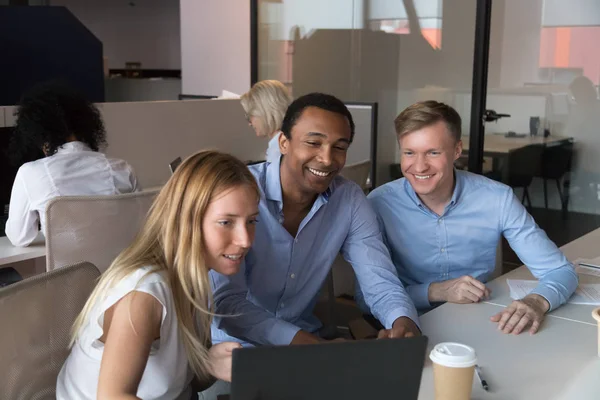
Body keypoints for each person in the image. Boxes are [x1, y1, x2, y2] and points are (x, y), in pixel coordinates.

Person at [56, 151, 261, 400]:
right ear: (187, 221)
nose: (245, 240)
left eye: (252, 221)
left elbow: (184, 381)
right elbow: (112, 396)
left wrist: (208, 363)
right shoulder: (143, 295)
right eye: (226, 222)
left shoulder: (195, 277)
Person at [363, 100, 578, 335]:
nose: (419, 166)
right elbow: (367, 297)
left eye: (433, 152)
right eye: (409, 153)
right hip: (408, 325)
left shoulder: (497, 198)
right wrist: (436, 291)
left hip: (483, 322)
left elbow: (560, 271)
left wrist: (536, 301)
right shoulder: (379, 204)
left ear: (457, 150)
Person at [5, 81, 138, 246]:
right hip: (120, 269)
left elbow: (19, 238)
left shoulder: (30, 173)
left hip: (71, 272)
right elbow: (137, 226)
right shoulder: (122, 169)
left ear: (38, 132)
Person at [240, 80, 292, 163]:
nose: (250, 123)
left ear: (264, 112)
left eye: (250, 115)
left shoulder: (280, 148)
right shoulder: (286, 141)